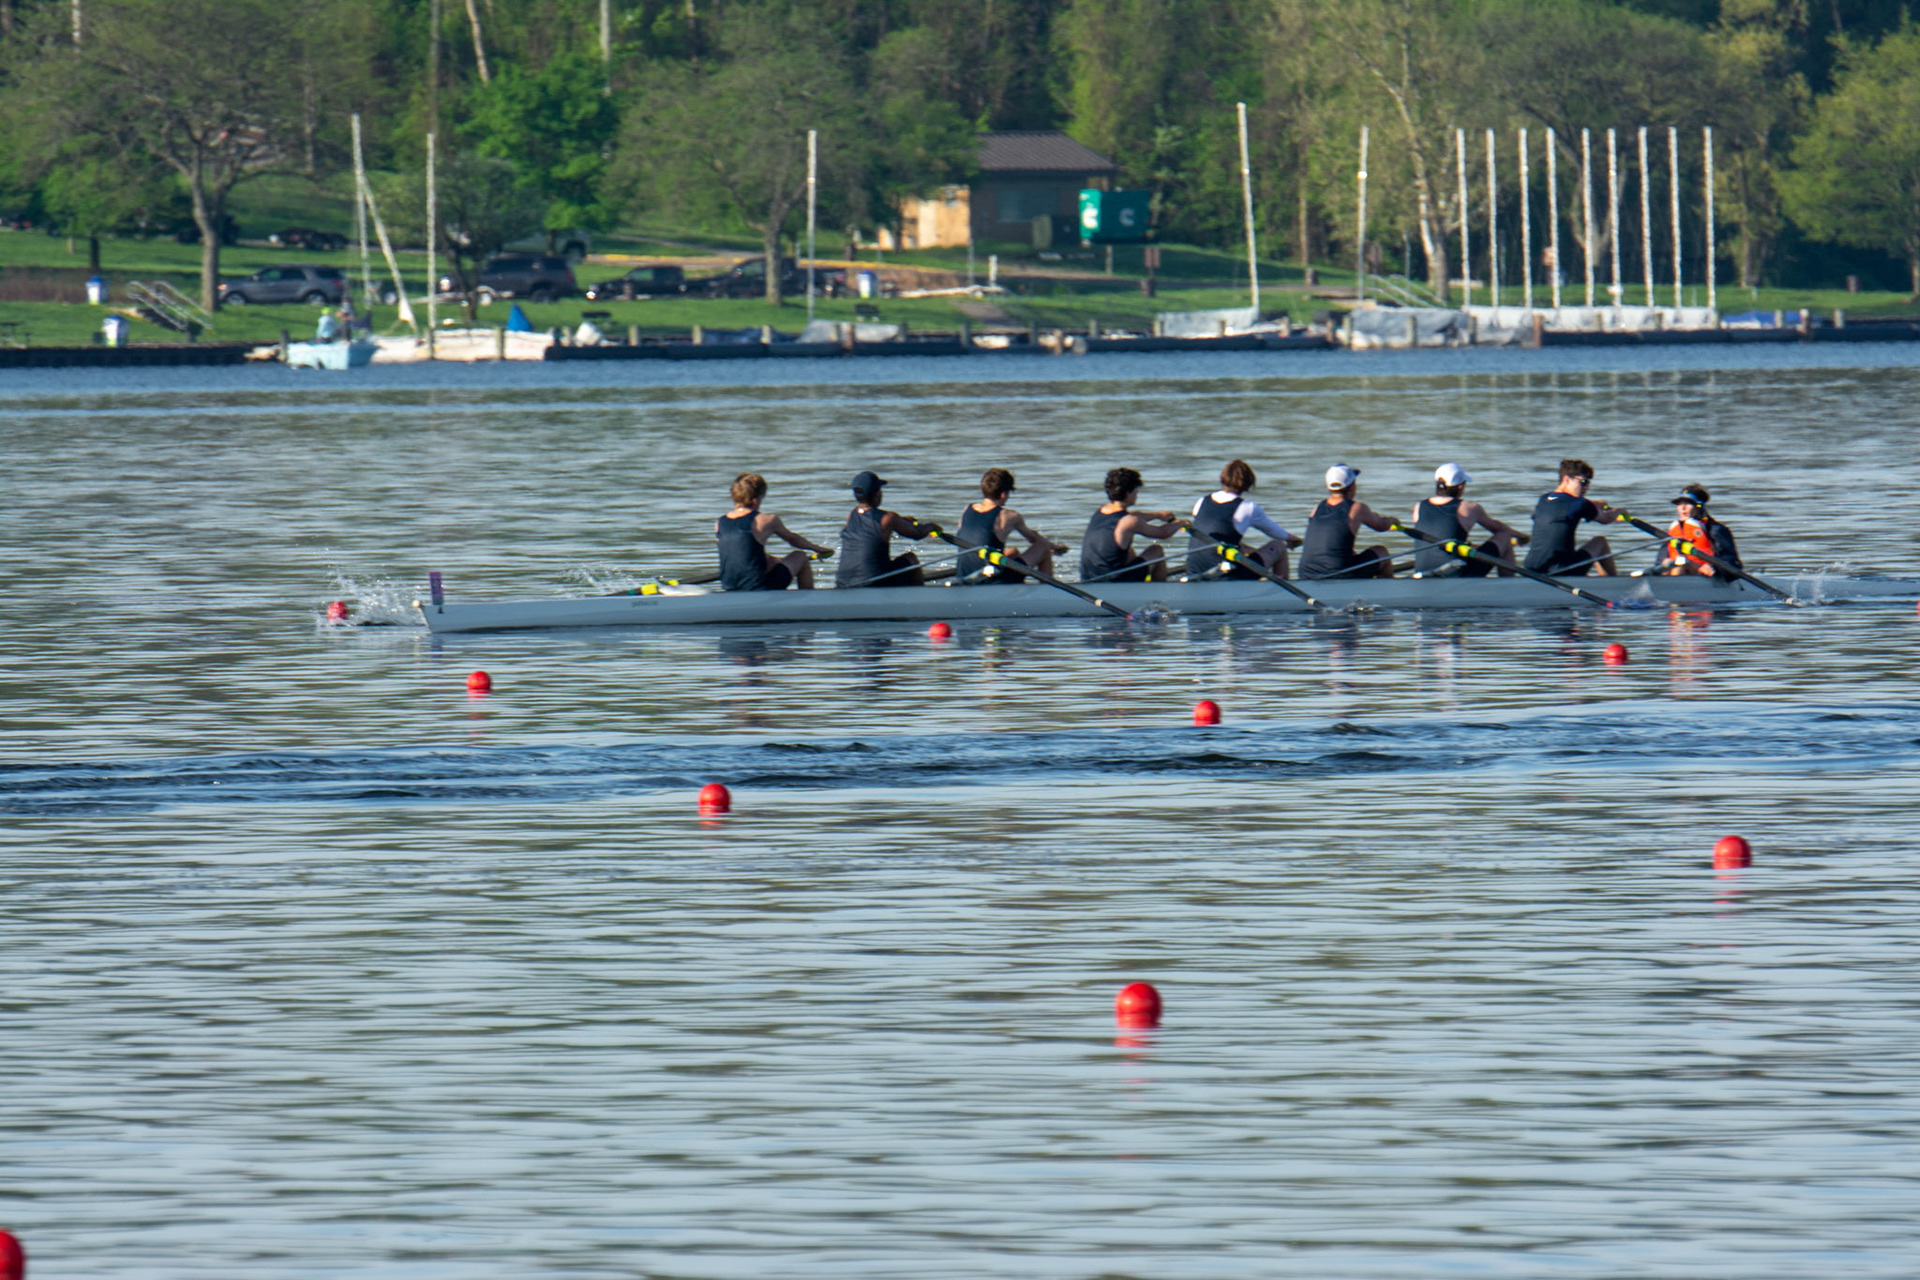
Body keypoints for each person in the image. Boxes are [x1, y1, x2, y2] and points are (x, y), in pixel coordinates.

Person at [715, 473, 834, 592]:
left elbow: (741, 553)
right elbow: (793, 539)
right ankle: (809, 599)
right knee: (800, 556)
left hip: (729, 586)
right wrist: (817, 548)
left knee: (768, 560)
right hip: (759, 587)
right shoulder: (766, 520)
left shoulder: (719, 523)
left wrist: (774, 560)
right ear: (756, 500)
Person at [1184, 459, 1301, 578]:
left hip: (1194, 570)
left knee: (1242, 547)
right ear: (1248, 483)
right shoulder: (1248, 507)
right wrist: (1294, 539)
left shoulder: (1201, 502)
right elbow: (1275, 532)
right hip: (1225, 574)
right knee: (1278, 546)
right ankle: (1279, 589)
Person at [1409, 462, 1528, 577]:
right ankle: (1508, 584)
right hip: (1456, 574)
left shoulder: (1418, 507)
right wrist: (1521, 536)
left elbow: (1440, 533)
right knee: (1505, 536)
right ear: (1460, 487)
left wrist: (1469, 545)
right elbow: (1498, 528)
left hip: (1422, 573)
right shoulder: (1469, 508)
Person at [954, 468, 1070, 585]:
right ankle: (1049, 589)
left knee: (1013, 552)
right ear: (1003, 495)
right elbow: (1033, 539)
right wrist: (1054, 547)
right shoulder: (1008, 516)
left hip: (964, 576)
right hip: (992, 579)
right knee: (1043, 546)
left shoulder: (966, 510)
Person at [1081, 467, 1189, 583]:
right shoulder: (1130, 522)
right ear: (1128, 493)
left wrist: (1158, 515)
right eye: (1136, 490)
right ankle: (1159, 590)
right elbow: (1163, 533)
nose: (1137, 493)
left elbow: (1131, 515)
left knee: (1127, 549)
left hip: (1089, 579)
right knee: (1156, 550)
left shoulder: (1102, 511)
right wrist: (1182, 523)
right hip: (1115, 581)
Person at [835, 470, 938, 588]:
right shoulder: (889, 518)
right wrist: (931, 526)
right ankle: (919, 596)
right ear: (877, 494)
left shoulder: (850, 517)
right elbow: (917, 534)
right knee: (911, 559)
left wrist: (902, 520)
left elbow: (871, 522)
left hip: (843, 583)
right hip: (874, 583)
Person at [1523, 458, 1626, 576]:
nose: (1586, 488)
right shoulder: (1580, 504)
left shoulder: (1543, 500)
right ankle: (1611, 582)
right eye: (1583, 482)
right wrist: (1620, 511)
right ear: (1566, 479)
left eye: (1588, 483)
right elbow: (1606, 519)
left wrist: (1595, 504)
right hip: (1562, 570)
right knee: (1600, 542)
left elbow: (1565, 506)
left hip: (1532, 569)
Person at [1298, 464, 1397, 579]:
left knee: (1348, 552)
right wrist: (1393, 521)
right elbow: (1381, 525)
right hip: (1338, 574)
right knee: (1382, 552)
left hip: (1306, 574)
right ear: (1352, 486)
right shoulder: (1357, 508)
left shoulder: (1316, 508)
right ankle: (1387, 587)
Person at [1660, 484, 1742, 578]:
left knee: (1679, 565)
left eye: (1688, 503)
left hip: (1705, 574)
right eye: (1679, 504)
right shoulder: (1672, 532)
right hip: (1677, 571)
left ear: (1699, 506)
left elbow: (1732, 563)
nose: (1683, 508)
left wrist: (1714, 568)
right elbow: (1659, 562)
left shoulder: (1715, 530)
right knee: (1668, 563)